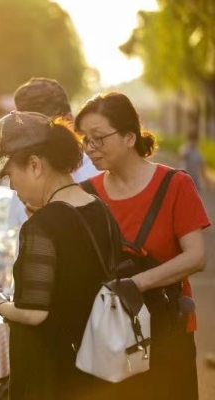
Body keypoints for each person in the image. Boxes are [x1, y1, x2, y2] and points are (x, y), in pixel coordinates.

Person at [0, 111, 122, 399]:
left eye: (10, 175)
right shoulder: (98, 208)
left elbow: (33, 313)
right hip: (98, 365)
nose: (11, 186)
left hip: (53, 373)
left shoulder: (40, 227)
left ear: (34, 165)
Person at [75, 92, 210, 400]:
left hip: (168, 330)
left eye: (98, 138)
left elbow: (196, 256)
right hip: (110, 336)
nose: (90, 149)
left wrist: (135, 284)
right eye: (86, 140)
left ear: (128, 137)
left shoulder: (175, 184)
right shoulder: (86, 195)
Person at [8, 77, 100, 225]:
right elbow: (14, 239)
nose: (33, 141)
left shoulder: (97, 174)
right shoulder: (22, 180)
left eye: (41, 129)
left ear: (68, 121)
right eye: (25, 132)